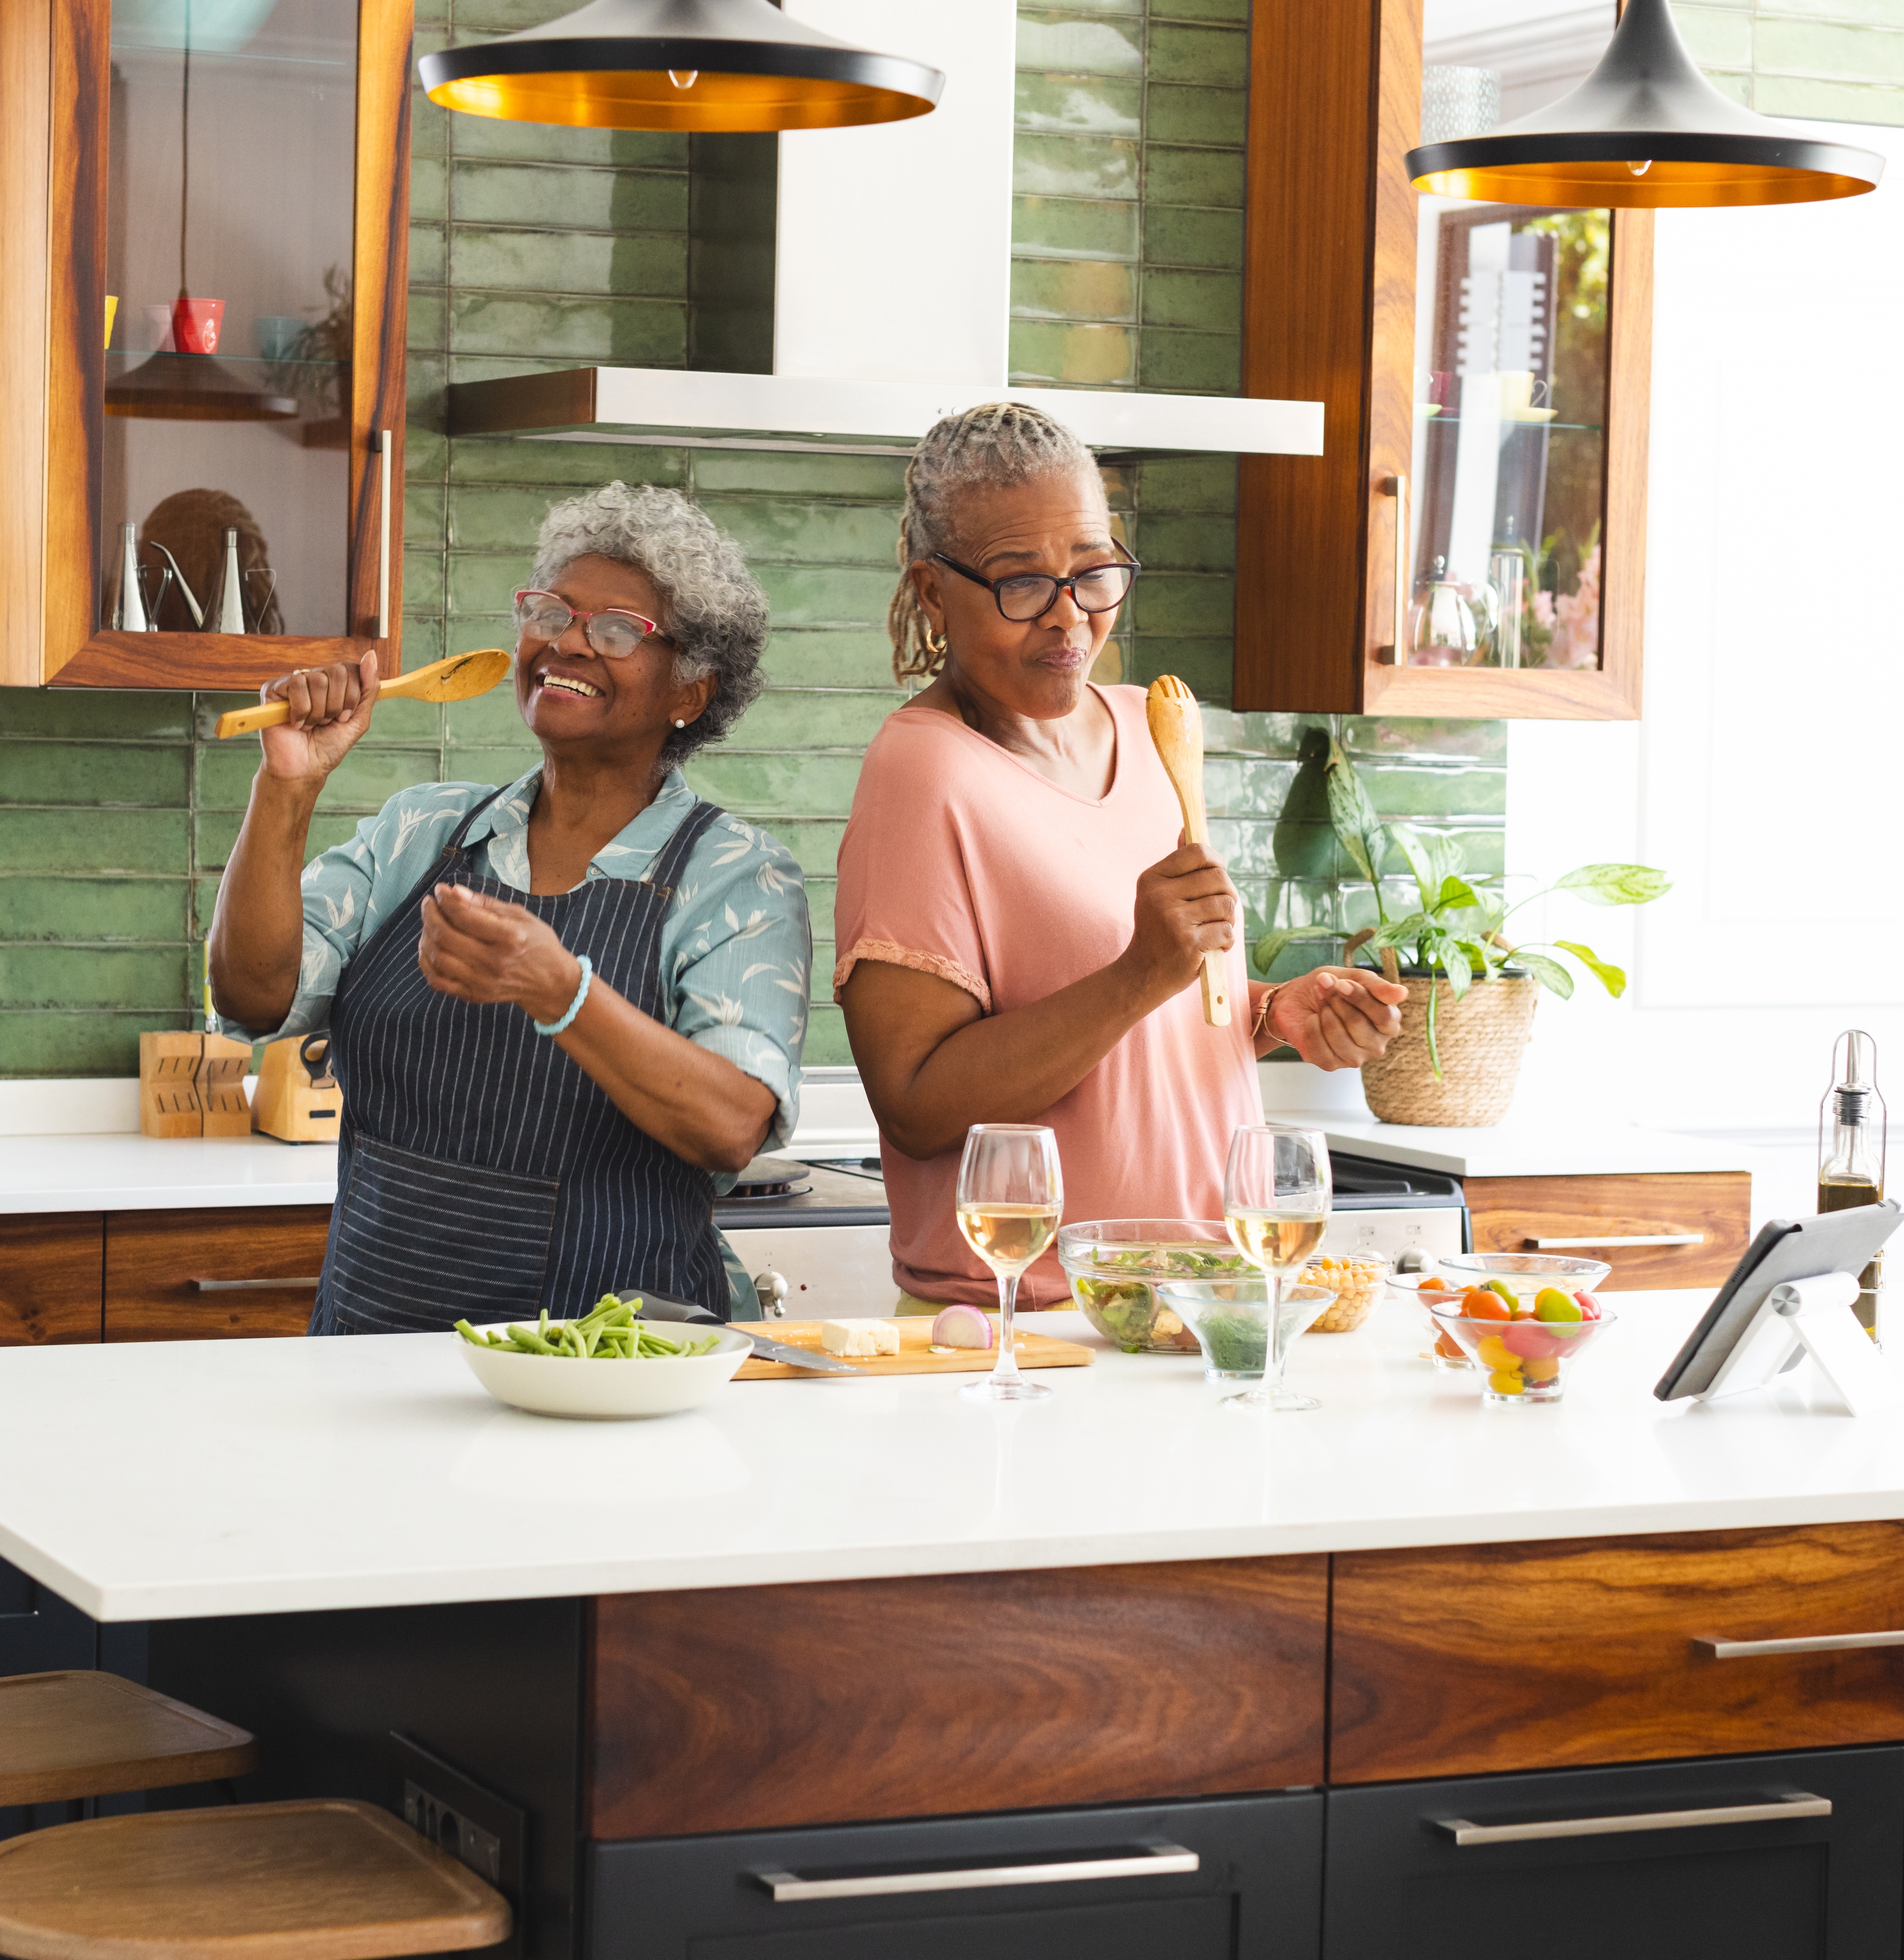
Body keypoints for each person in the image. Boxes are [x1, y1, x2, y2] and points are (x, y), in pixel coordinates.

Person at [834, 403, 1406, 1310]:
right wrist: (1143, 970)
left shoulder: (1153, 727)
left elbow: (1159, 1027)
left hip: (1205, 1299)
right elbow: (914, 1100)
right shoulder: (924, 767)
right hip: (1035, 1326)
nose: (1069, 620)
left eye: (1094, 572)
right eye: (1022, 583)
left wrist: (1270, 1013)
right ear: (933, 590)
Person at [209, 482, 809, 1333]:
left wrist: (562, 993)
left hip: (608, 1368)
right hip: (375, 1344)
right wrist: (287, 787)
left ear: (690, 692)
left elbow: (730, 1125)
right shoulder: (422, 831)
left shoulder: (733, 877)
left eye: (616, 629)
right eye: (552, 612)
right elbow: (251, 992)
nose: (568, 642)